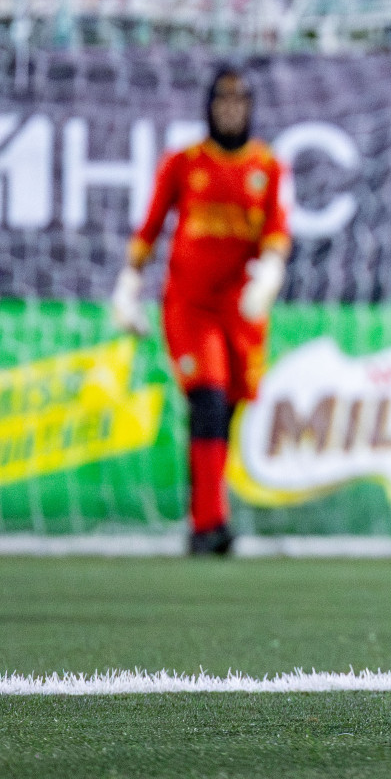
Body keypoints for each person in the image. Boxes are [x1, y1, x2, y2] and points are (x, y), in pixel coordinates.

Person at [111, 68, 289, 556]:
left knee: (225, 411)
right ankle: (208, 523)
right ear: (208, 106)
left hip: (241, 313)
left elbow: (277, 232)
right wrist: (128, 288)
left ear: (250, 107)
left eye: (240, 99)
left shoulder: (267, 167)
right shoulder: (183, 163)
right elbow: (149, 226)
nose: (231, 108)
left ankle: (205, 518)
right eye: (222, 99)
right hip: (190, 308)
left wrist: (268, 277)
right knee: (206, 402)